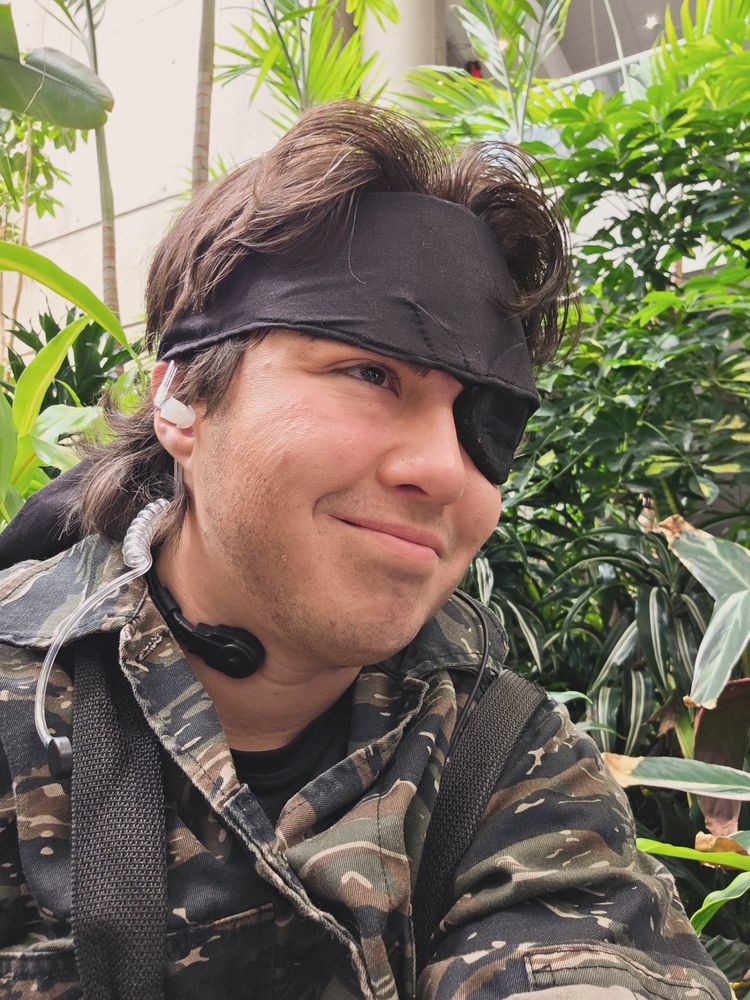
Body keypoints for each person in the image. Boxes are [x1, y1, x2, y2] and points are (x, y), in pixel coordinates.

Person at [0, 101, 731, 1000]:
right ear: (184, 393)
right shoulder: (19, 711)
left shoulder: (500, 758)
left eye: (485, 420)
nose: (444, 469)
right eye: (370, 372)